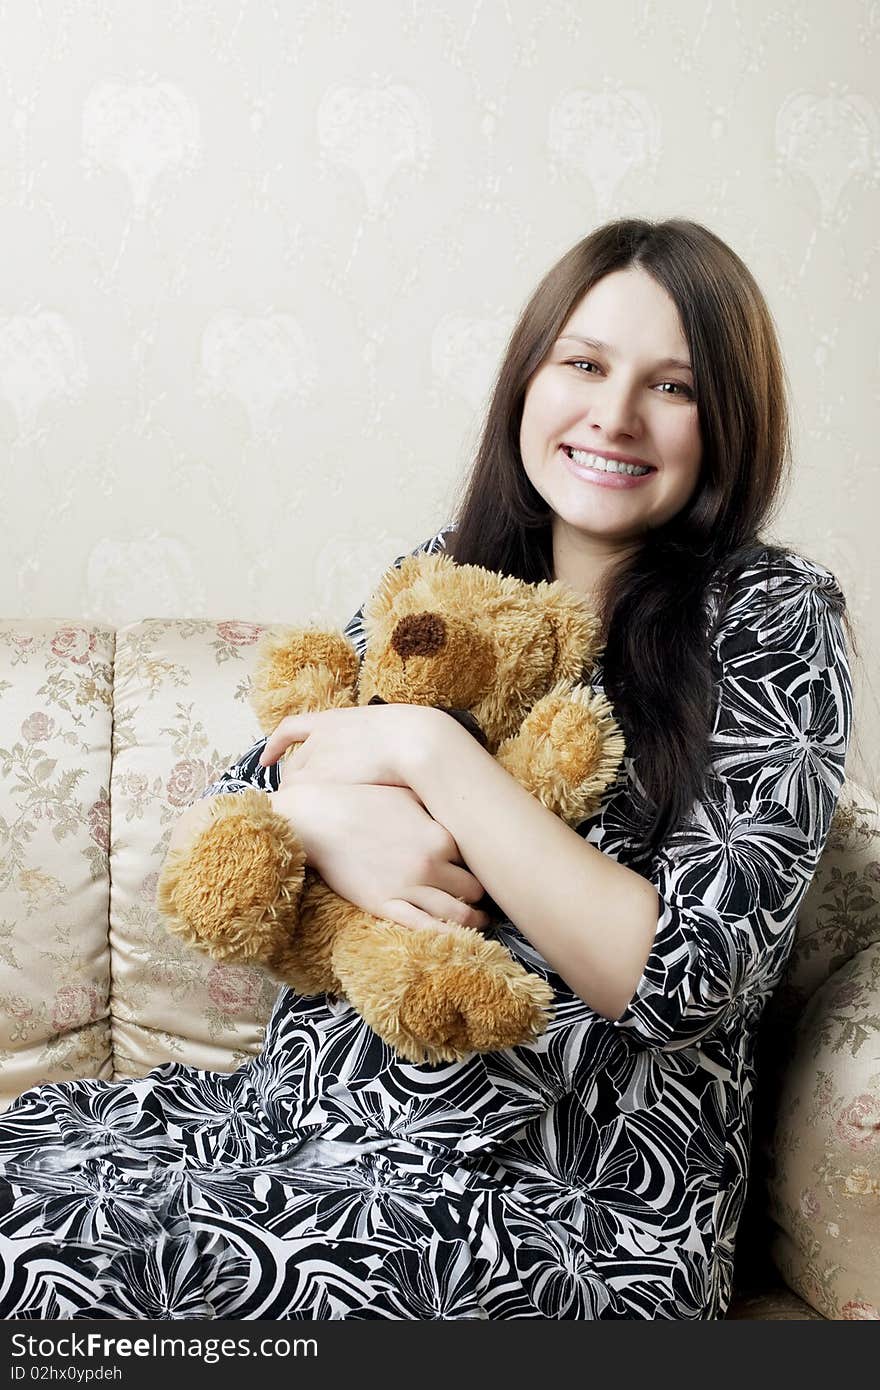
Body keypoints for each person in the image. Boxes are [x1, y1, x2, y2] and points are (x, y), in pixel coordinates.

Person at [0, 218, 852, 1320]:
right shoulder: (440, 579)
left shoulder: (773, 616)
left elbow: (688, 976)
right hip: (292, 1133)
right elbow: (234, 814)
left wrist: (426, 749)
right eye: (583, 364)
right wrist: (310, 816)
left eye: (673, 386)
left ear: (727, 423)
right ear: (527, 381)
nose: (614, 414)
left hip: (554, 1209)